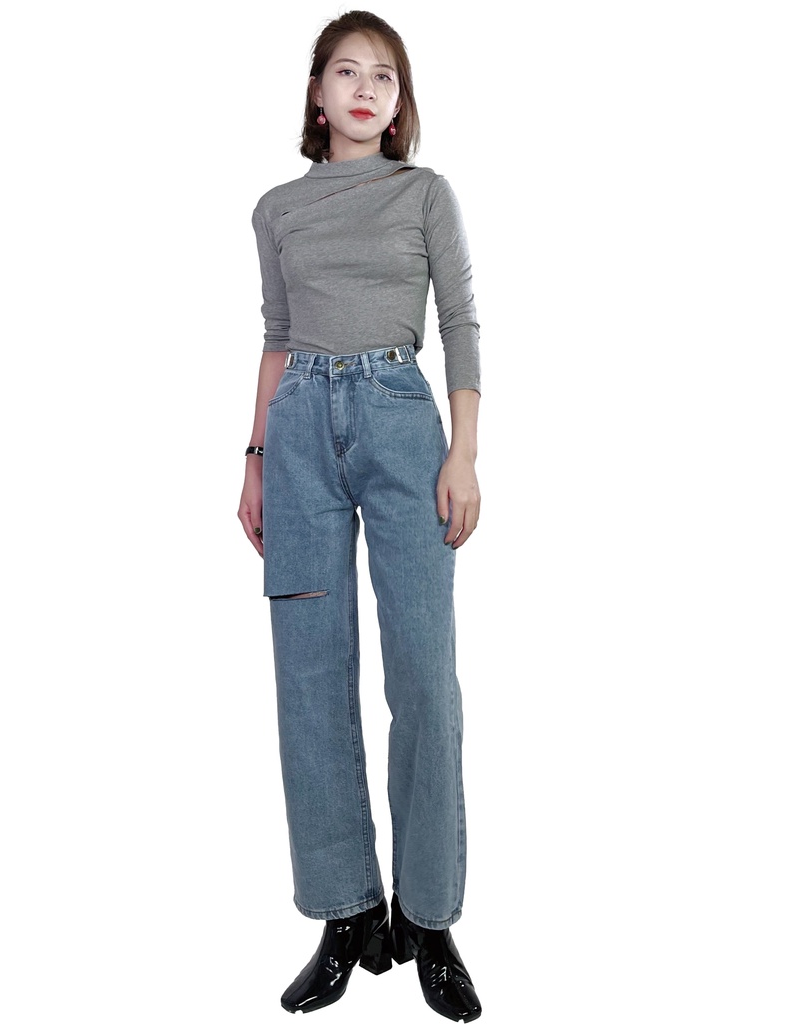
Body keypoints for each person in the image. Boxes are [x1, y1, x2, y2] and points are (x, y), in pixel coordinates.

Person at [237, 11, 483, 1021]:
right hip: (298, 427)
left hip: (399, 419)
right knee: (309, 677)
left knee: (424, 673)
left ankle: (427, 917)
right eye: (347, 71)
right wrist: (254, 458)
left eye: (385, 75)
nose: (366, 88)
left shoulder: (423, 193)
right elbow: (277, 336)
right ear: (317, 92)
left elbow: (459, 320)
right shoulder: (275, 210)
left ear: (398, 100)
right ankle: (348, 916)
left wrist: (463, 452)